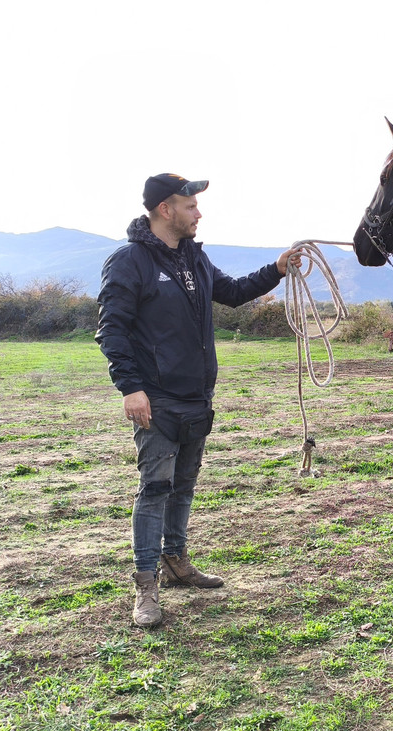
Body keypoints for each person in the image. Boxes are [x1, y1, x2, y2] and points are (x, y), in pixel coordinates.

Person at [96, 173, 303, 628]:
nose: (199, 213)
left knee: (184, 486)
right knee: (154, 490)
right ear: (165, 210)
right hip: (157, 399)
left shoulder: (195, 258)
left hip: (197, 396)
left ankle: (175, 561)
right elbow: (111, 328)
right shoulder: (130, 262)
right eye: (190, 206)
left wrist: (278, 268)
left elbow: (231, 293)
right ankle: (146, 584)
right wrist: (130, 388)